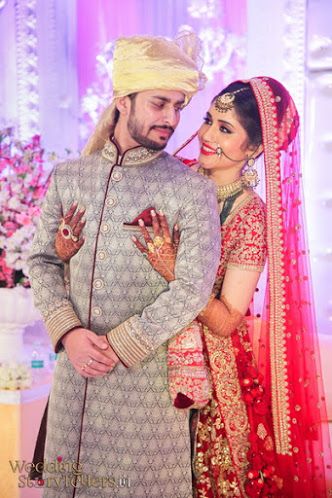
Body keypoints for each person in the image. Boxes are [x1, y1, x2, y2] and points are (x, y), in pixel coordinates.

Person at [60, 76, 332, 497]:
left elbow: (225, 321)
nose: (205, 134)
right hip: (143, 353)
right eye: (207, 120)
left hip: (211, 377)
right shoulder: (174, 179)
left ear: (255, 149)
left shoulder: (250, 218)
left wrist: (175, 272)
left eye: (225, 129)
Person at [28, 33, 221, 498]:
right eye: (159, 104)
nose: (172, 119)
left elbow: (192, 287)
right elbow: (41, 260)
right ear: (122, 100)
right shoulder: (69, 178)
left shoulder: (191, 190)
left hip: (146, 394)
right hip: (74, 384)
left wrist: (120, 345)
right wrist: (69, 332)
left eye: (178, 106)